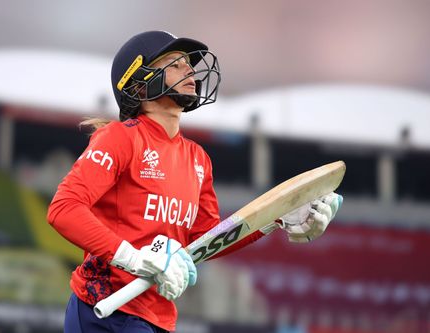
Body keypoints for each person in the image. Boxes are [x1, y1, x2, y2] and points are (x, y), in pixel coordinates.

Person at [47, 30, 342, 333]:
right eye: (174, 63)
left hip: (158, 316)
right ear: (138, 83)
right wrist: (132, 258)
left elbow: (208, 240)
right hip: (104, 308)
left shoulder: (198, 158)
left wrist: (276, 218)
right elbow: (64, 209)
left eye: (188, 63)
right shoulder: (120, 138)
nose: (189, 69)